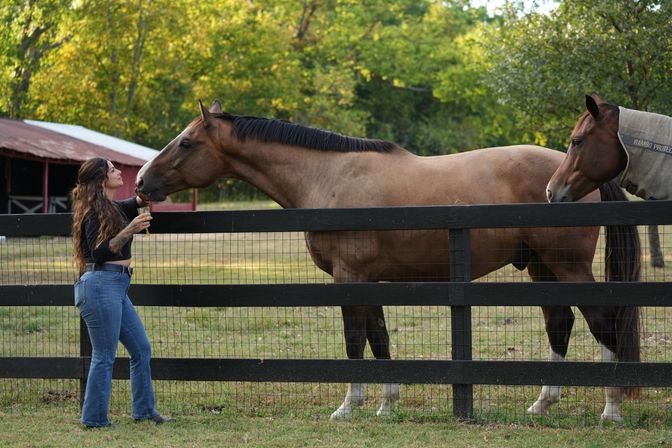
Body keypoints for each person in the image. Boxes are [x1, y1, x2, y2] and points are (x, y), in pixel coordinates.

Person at [71, 157, 172, 428]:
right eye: (113, 170)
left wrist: (159, 180)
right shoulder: (93, 212)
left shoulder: (113, 207)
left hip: (116, 286)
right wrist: (130, 229)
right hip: (100, 285)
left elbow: (140, 200)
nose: (118, 172)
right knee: (104, 356)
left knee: (141, 349)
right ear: (102, 179)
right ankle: (93, 419)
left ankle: (144, 411)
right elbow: (99, 253)